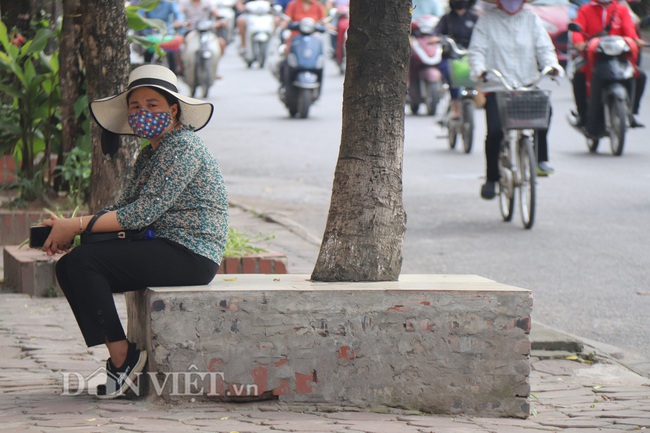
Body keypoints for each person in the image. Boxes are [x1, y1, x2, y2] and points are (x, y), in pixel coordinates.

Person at [41, 64, 229, 399]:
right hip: (164, 247)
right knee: (70, 266)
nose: (143, 113)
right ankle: (121, 358)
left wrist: (79, 225)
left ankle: (124, 360)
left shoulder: (183, 147)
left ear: (173, 110)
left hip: (191, 253)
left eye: (152, 105)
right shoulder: (149, 155)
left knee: (84, 263)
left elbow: (143, 213)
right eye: (135, 107)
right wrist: (65, 229)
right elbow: (123, 210)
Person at [468, 0, 563, 199]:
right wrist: (480, 71)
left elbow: (544, 47)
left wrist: (552, 65)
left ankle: (539, 160)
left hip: (526, 83)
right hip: (497, 85)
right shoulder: (487, 21)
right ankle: (492, 178)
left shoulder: (531, 19)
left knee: (545, 112)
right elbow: (477, 50)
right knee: (495, 132)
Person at [571, 0, 646, 132]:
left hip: (619, 56)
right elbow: (577, 31)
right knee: (578, 76)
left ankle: (632, 112)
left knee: (641, 76)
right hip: (595, 57)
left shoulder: (621, 10)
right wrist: (579, 43)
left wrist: (635, 40)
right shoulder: (585, 10)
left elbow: (630, 30)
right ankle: (582, 116)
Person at [432, 0, 478, 118]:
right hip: (451, 57)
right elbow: (435, 34)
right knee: (450, 73)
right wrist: (437, 39)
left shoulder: (475, 18)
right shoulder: (446, 18)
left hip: (471, 56)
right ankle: (455, 103)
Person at [139, 0, 185, 75]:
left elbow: (178, 14)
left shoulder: (169, 2)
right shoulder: (146, 2)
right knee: (148, 53)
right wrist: (141, 20)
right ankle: (146, 73)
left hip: (167, 32)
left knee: (172, 53)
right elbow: (139, 14)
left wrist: (179, 20)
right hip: (150, 32)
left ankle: (174, 75)